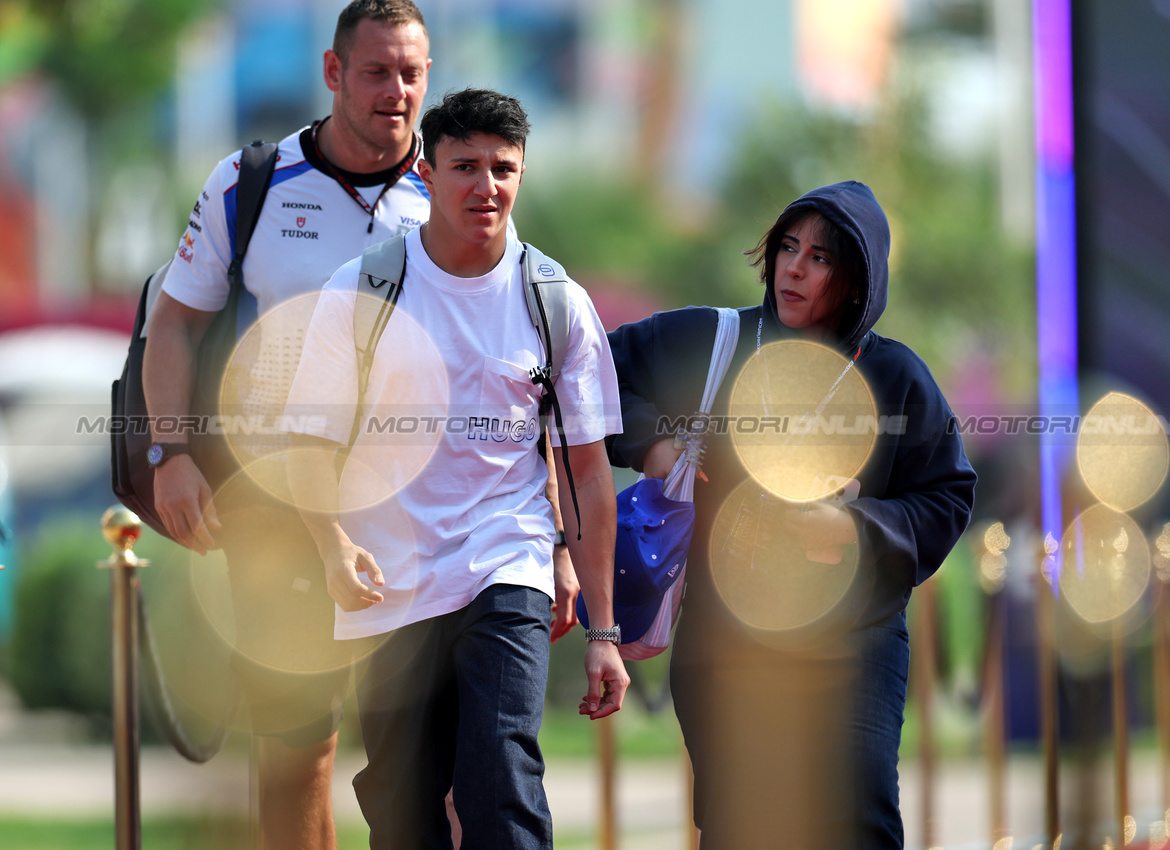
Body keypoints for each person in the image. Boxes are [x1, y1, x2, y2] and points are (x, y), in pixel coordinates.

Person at [142, 4, 575, 847]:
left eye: (412, 72)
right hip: (277, 496)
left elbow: (523, 364)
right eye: (376, 72)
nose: (397, 92)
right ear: (335, 73)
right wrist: (171, 452)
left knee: (434, 760)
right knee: (295, 743)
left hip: (424, 511)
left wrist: (555, 533)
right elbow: (175, 323)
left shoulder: (457, 181)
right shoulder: (251, 183)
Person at [282, 88, 629, 849]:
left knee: (500, 775)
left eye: (502, 168)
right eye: (464, 166)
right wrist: (333, 547)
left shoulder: (554, 302)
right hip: (388, 581)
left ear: (522, 174)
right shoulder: (361, 290)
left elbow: (587, 474)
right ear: (427, 177)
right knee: (402, 805)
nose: (485, 186)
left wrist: (602, 626)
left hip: (504, 561)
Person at [605, 181, 976, 848]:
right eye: (786, 248)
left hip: (852, 644)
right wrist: (650, 442)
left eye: (820, 258)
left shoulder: (895, 377)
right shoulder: (712, 339)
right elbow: (587, 374)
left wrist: (854, 527)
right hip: (724, 640)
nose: (794, 269)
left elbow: (946, 494)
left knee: (854, 819)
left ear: (857, 281)